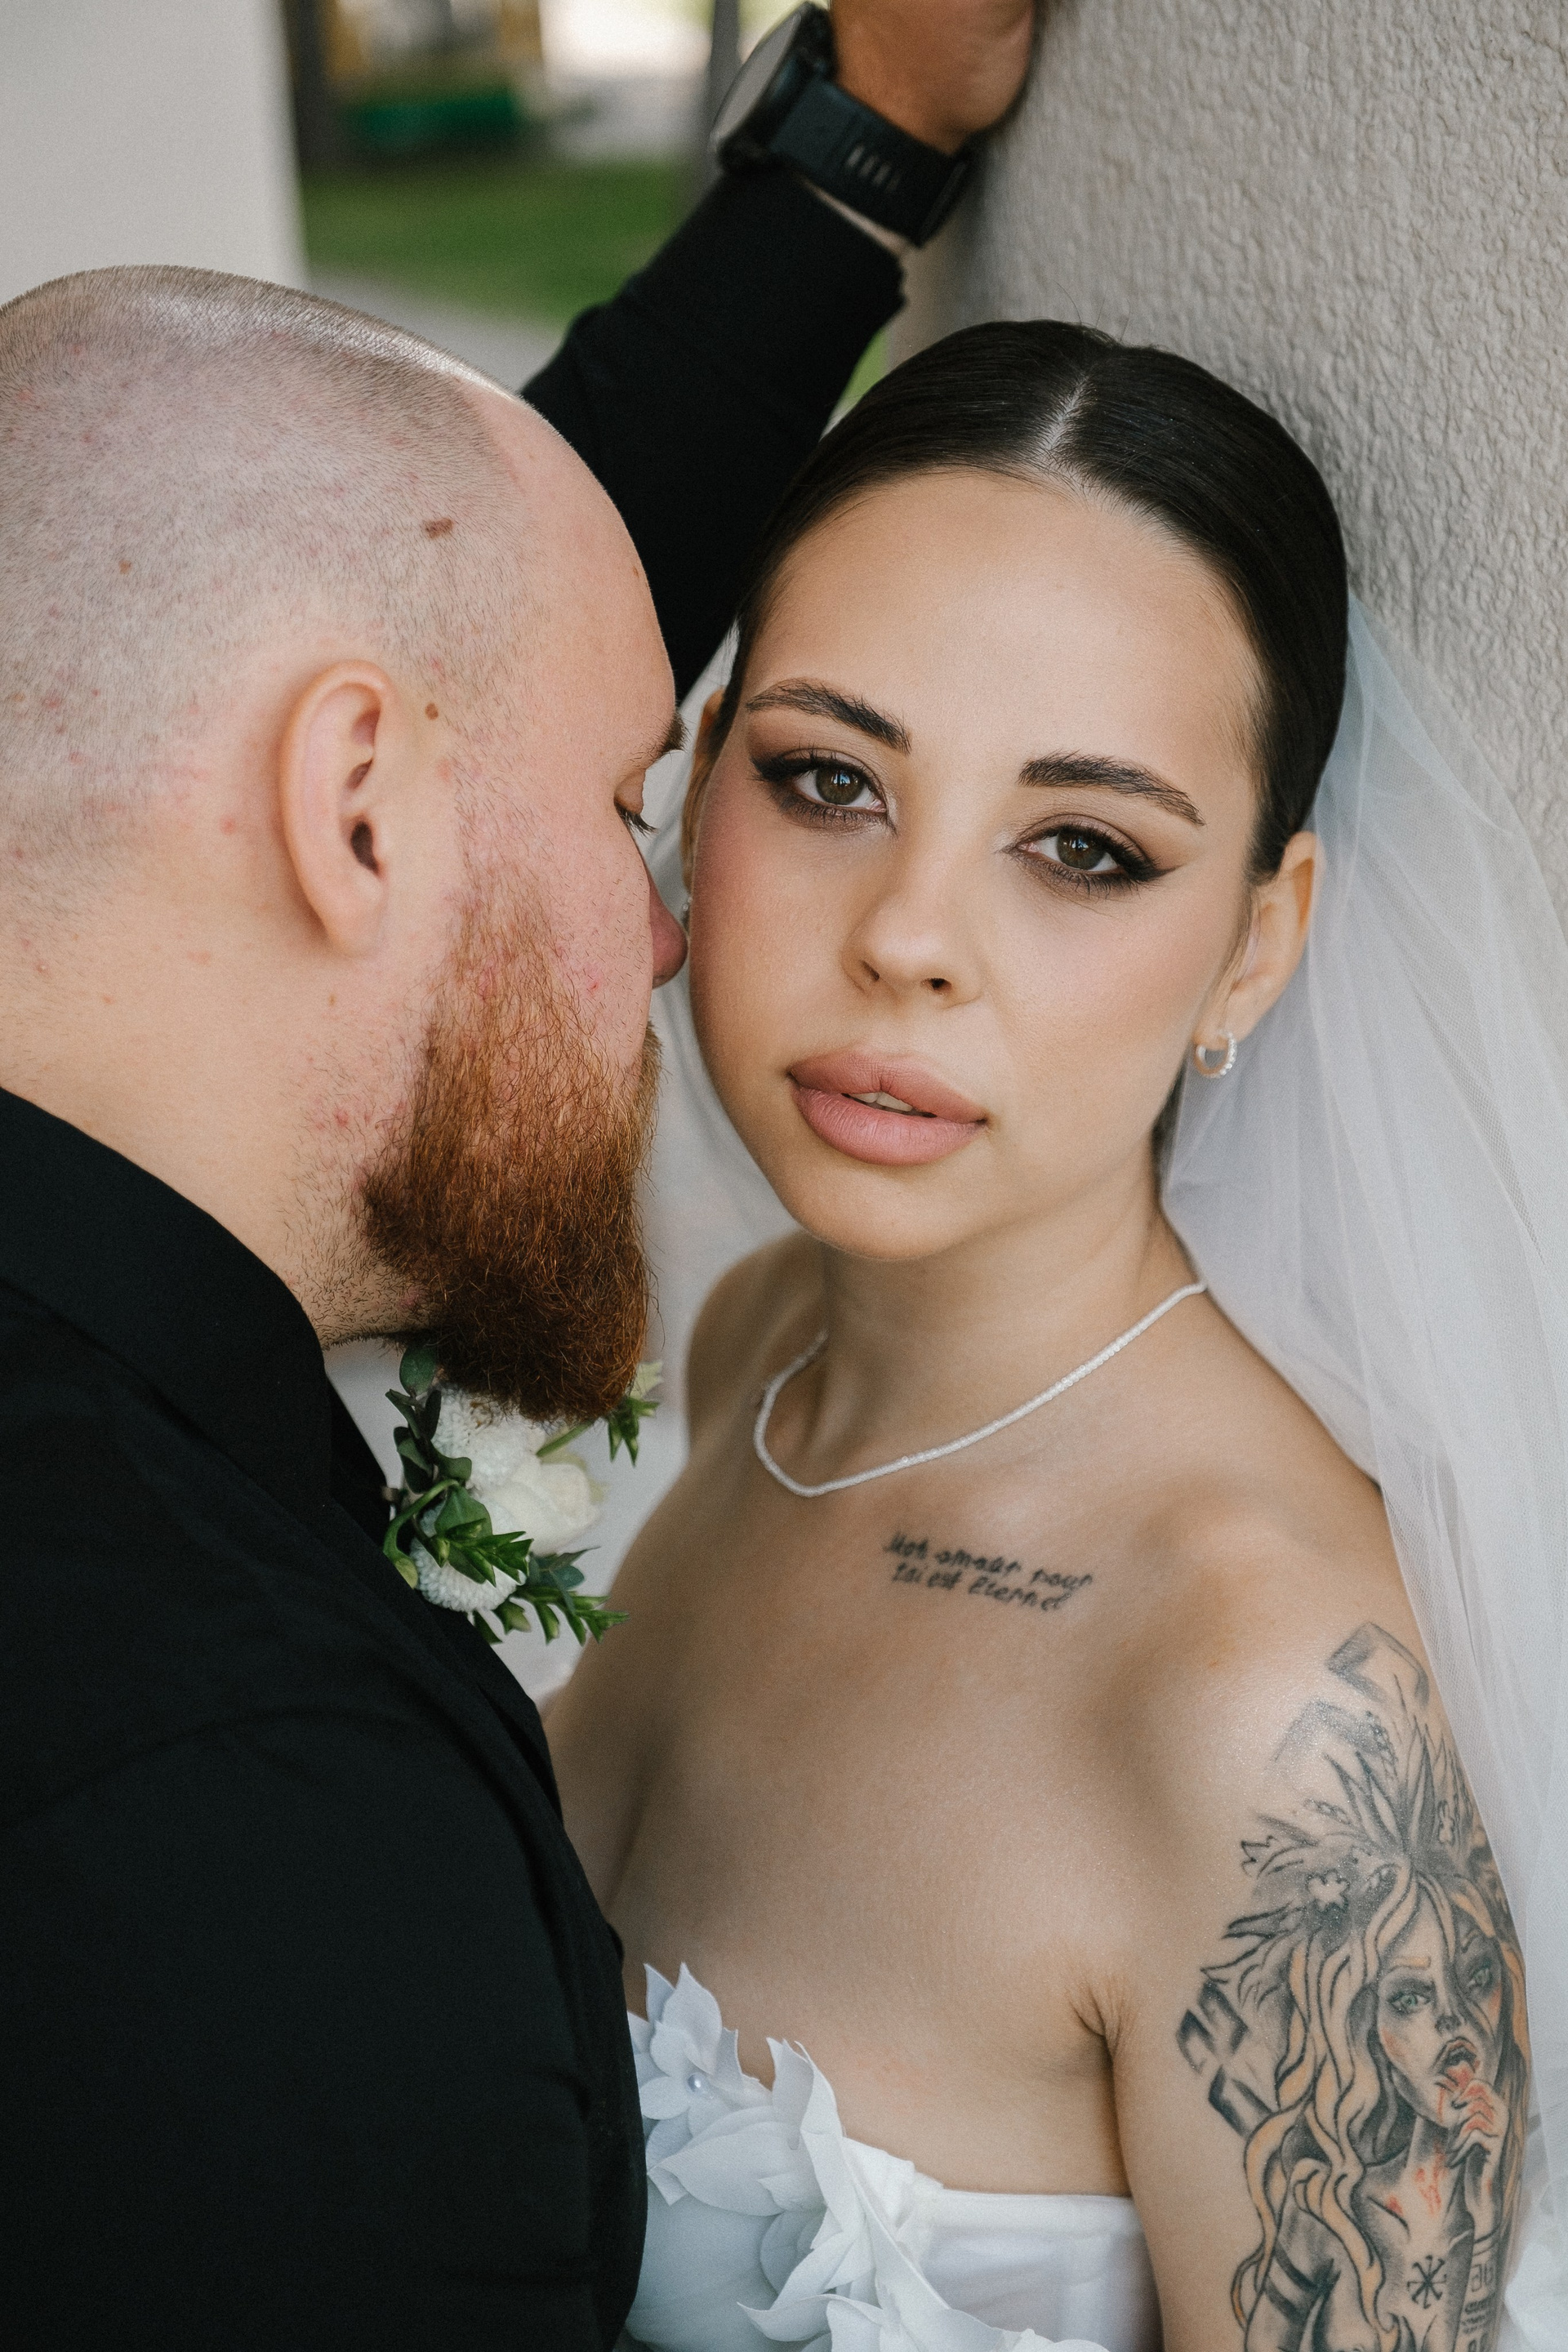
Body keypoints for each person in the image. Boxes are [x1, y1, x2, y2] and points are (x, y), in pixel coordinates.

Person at [0, 8, 1035, 2344]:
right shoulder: (240, 1841)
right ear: (354, 812)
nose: (667, 930)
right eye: (622, 807)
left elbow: (368, 596)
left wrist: (852, 152)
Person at [546, 323, 1557, 2351]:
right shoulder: (761, 1346)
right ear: (700, 769)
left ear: (1257, 944)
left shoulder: (1256, 1702)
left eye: (1085, 847)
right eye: (828, 779)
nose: (908, 938)